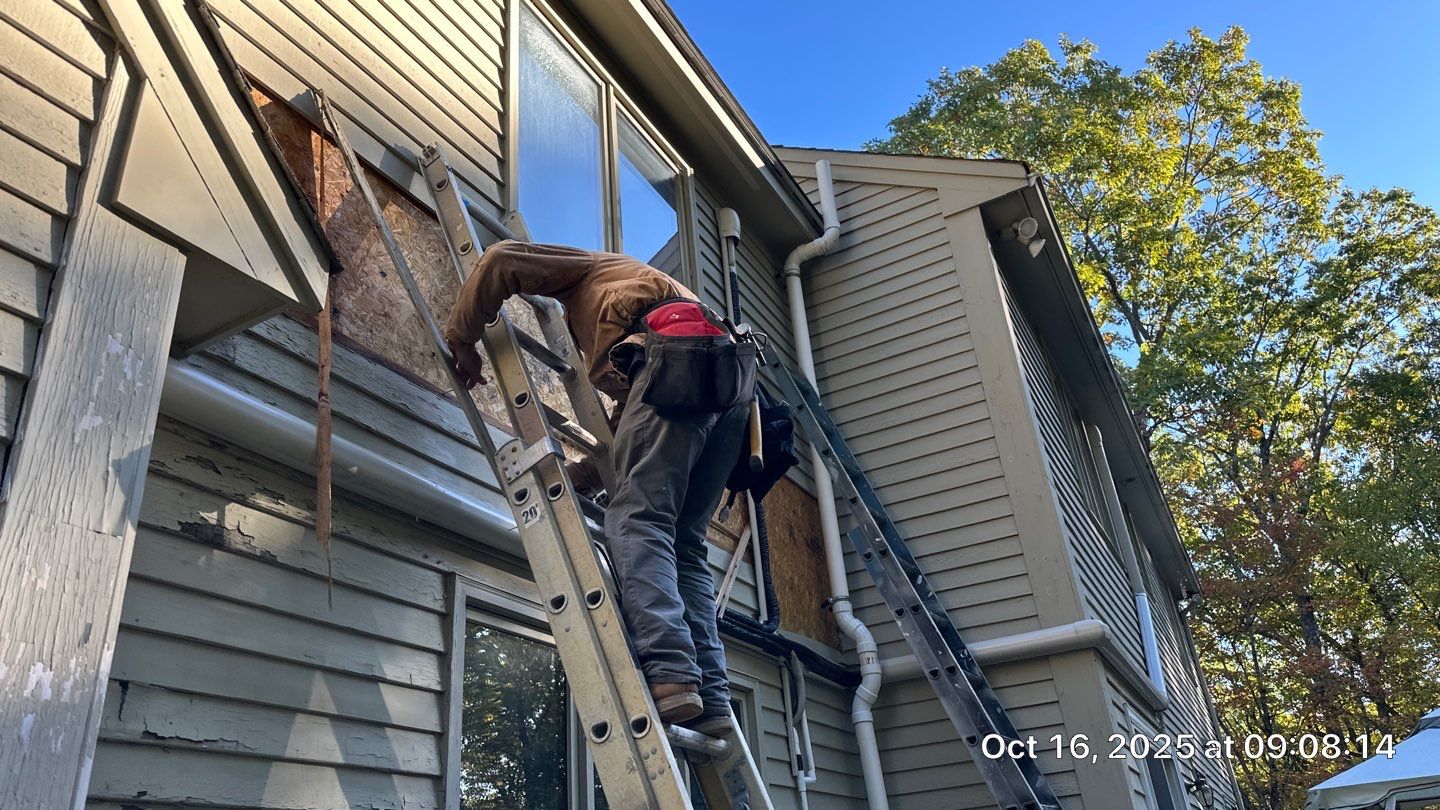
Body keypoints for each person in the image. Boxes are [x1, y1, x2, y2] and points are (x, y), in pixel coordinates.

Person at [444, 240, 756, 735]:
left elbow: (502, 260)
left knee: (637, 520)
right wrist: (585, 476)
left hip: (680, 365)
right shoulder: (655, 303)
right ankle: (713, 699)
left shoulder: (591, 270)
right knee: (685, 546)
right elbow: (635, 427)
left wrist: (462, 338)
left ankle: (671, 672)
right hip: (731, 389)